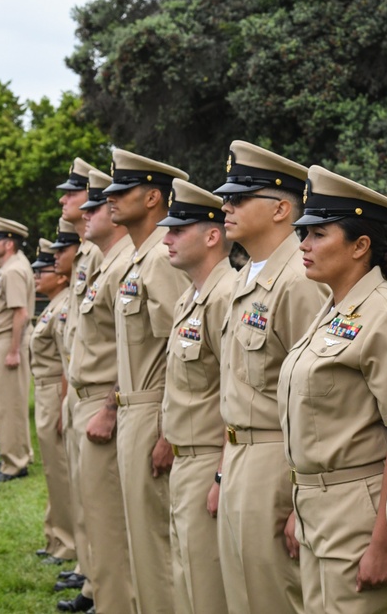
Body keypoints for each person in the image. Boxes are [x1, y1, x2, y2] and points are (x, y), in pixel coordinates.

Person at [278, 165, 387, 613]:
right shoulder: (334, 310)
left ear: (360, 246)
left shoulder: (386, 314)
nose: (304, 245)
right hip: (316, 510)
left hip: (359, 518)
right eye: (304, 233)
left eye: (318, 234)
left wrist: (383, 542)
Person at [213, 140, 327, 614]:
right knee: (242, 593)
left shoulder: (300, 281)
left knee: (274, 595)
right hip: (239, 453)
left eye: (239, 199)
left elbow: (317, 398)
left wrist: (299, 496)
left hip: (276, 461)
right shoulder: (246, 276)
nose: (226, 207)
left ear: (281, 208)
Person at [99, 149, 190, 614]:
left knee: (157, 545)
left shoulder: (158, 260)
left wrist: (167, 430)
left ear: (153, 197)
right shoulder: (142, 258)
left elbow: (183, 351)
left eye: (122, 191)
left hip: (153, 410)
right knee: (140, 534)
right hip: (135, 407)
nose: (111, 200)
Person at [158, 178, 233, 614]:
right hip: (186, 459)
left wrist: (222, 473)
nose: (166, 238)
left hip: (209, 459)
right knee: (187, 581)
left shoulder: (225, 295)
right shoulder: (191, 296)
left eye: (177, 229)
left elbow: (235, 392)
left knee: (208, 591)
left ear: (211, 236)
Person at [65, 168, 135, 614]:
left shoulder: (129, 261)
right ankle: (100, 593)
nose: (95, 209)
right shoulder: (106, 259)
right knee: (96, 512)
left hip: (109, 401)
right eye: (92, 201)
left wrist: (108, 407)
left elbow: (146, 350)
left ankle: (113, 601)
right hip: (88, 395)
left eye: (102, 201)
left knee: (113, 522)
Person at [56, 159, 104, 601]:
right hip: (83, 389)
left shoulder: (106, 253)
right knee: (86, 495)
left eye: (87, 199)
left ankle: (100, 586)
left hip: (107, 398)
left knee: (107, 510)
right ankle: (91, 575)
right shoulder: (88, 252)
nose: (72, 204)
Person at [29, 239, 77, 565]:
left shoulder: (64, 304)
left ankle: (67, 544)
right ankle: (54, 536)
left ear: (60, 277)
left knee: (61, 473)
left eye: (42, 270)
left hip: (55, 392)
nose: (36, 276)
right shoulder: (54, 303)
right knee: (52, 472)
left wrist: (62, 404)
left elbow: (65, 361)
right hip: (44, 391)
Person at [0, 215, 36, 483]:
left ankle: (14, 464)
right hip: (3, 340)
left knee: (9, 406)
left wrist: (14, 350)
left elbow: (20, 313)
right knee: (8, 404)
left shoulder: (14, 269)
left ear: (7, 244)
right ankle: (16, 454)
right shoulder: (10, 267)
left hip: (8, 341)